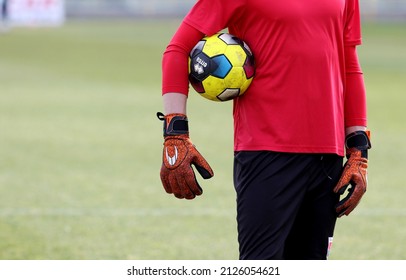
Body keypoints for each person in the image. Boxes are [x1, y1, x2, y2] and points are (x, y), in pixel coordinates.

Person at [158, 0, 371, 260]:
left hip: (328, 157)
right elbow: (177, 49)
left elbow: (349, 63)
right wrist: (175, 133)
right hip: (265, 153)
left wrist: (359, 149)